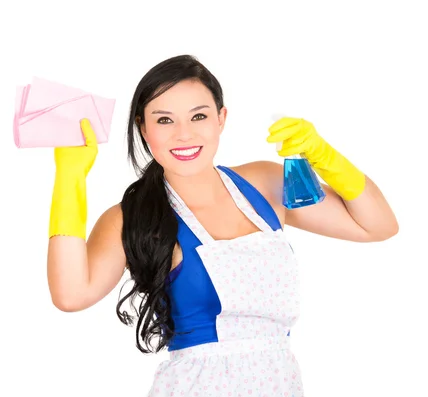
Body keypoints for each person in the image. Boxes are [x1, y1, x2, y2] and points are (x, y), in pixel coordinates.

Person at [46, 54, 399, 396]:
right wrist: (70, 177)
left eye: (198, 116)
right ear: (143, 127)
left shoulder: (265, 184)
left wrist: (325, 156)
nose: (183, 135)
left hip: (280, 383)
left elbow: (377, 226)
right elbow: (71, 294)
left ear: (221, 118)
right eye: (164, 120)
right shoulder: (133, 216)